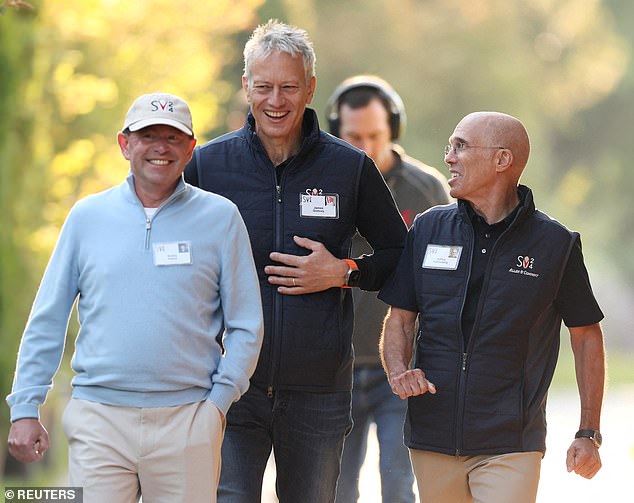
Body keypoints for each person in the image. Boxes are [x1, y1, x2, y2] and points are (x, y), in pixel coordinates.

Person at [184, 20, 407, 503]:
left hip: (318, 393)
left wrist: (345, 272)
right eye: (263, 87)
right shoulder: (208, 166)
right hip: (231, 387)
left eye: (288, 87)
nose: (275, 101)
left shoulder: (349, 167)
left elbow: (399, 254)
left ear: (309, 88)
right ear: (245, 87)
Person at [6, 92, 264, 503]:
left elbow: (247, 324)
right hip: (99, 421)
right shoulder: (87, 217)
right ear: (125, 144)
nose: (160, 147)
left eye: (173, 137)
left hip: (188, 421)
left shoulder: (221, 218)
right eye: (148, 135)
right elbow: (48, 318)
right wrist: (25, 407)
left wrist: (216, 405)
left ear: (191, 149)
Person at [379, 111, 605, 503]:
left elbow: (586, 336)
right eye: (450, 145)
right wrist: (399, 371)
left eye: (461, 146)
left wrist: (588, 431)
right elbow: (400, 318)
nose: (449, 156)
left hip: (511, 441)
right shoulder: (429, 229)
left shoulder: (556, 245)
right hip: (431, 435)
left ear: (502, 160)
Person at [326, 75, 451, 503]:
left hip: (402, 366)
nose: (364, 147)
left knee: (399, 484)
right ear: (335, 131)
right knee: (338, 489)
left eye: (374, 136)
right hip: (333, 365)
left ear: (392, 130)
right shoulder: (319, 184)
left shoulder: (428, 187)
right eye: (353, 136)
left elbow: (448, 275)